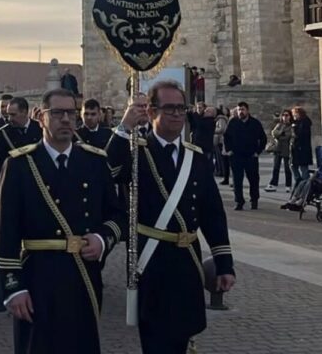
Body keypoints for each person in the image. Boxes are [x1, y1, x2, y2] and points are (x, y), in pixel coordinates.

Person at [108, 80, 235, 353]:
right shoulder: (137, 151)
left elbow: (212, 214)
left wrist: (224, 263)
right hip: (153, 262)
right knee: (157, 340)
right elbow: (107, 171)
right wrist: (124, 127)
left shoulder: (196, 157)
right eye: (169, 108)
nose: (177, 114)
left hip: (187, 261)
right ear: (151, 111)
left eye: (181, 108)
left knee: (183, 336)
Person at [0, 88, 125, 353]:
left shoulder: (94, 161)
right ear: (41, 117)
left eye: (71, 113)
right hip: (37, 278)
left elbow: (117, 215)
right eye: (57, 113)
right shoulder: (21, 164)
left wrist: (102, 239)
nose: (66, 119)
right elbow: (5, 232)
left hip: (82, 275)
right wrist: (13, 288)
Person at [223, 101, 267, 210]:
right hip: (236, 156)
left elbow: (263, 138)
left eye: (242, 109)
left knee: (253, 179)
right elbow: (227, 137)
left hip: (250, 156)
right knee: (237, 180)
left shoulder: (255, 123)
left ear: (247, 110)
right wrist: (229, 150)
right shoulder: (233, 122)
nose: (240, 112)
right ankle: (239, 201)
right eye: (238, 110)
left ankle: (254, 199)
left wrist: (258, 151)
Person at [0, 97, 42, 180]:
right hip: (15, 179)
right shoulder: (4, 133)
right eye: (8, 114)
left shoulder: (40, 128)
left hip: (39, 178)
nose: (10, 119)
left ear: (24, 112)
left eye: (13, 115)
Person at [265, 110, 292, 193]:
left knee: (287, 168)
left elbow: (289, 136)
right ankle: (273, 183)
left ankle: (288, 185)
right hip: (278, 148)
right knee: (276, 167)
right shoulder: (279, 125)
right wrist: (281, 132)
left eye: (286, 115)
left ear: (290, 116)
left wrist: (280, 135)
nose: (285, 117)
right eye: (283, 115)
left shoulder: (291, 126)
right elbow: (274, 133)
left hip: (287, 149)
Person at [290, 107, 313, 184]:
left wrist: (294, 128)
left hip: (302, 149)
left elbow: (299, 135)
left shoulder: (304, 122)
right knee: (293, 165)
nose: (293, 116)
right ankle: (300, 181)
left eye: (294, 114)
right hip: (297, 148)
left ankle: (304, 183)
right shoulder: (297, 122)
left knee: (303, 167)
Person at [214, 108, 230, 185]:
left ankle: (222, 173)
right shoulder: (218, 119)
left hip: (220, 140)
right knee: (219, 158)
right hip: (219, 140)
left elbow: (222, 129)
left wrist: (213, 129)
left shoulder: (221, 119)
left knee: (222, 159)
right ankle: (221, 171)